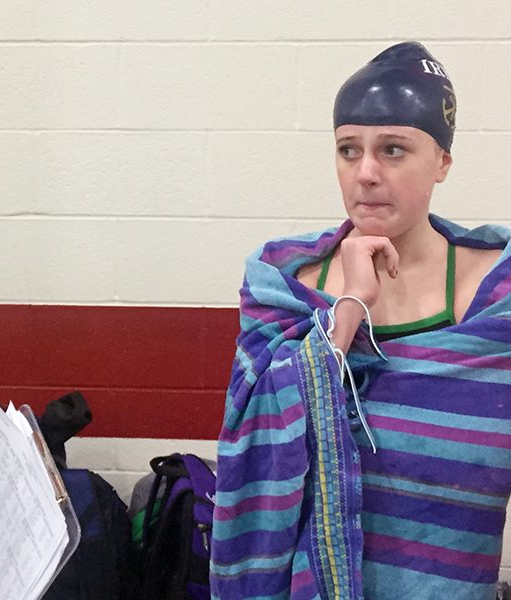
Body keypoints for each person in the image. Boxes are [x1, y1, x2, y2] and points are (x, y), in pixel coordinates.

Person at [209, 42, 510, 599]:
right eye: (349, 150)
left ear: (443, 162)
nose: (366, 173)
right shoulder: (284, 284)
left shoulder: (497, 301)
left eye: (393, 149)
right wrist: (348, 308)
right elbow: (253, 432)